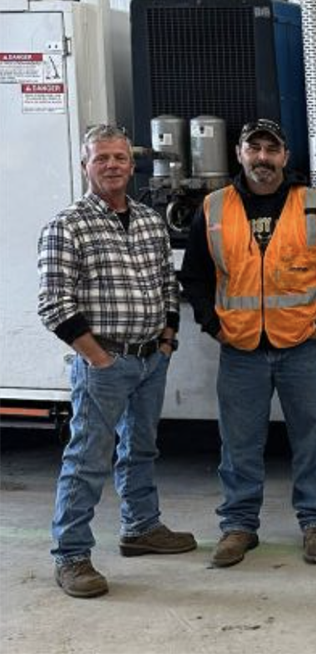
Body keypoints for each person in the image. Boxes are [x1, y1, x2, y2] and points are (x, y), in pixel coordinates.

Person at [179, 119, 316, 568]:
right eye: (253, 148)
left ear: (285, 156)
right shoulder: (214, 208)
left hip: (302, 346)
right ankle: (239, 526)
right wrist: (213, 325)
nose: (262, 157)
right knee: (239, 444)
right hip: (240, 349)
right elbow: (194, 276)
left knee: (310, 440)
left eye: (270, 149)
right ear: (239, 153)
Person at [38, 124, 195, 598]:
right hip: (104, 363)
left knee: (141, 450)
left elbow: (167, 285)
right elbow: (54, 304)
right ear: (85, 165)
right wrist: (99, 359)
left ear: (131, 164)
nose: (111, 166)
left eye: (119, 158)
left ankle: (141, 527)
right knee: (88, 459)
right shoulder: (67, 225)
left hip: (150, 360)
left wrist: (166, 341)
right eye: (101, 158)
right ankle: (71, 555)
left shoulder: (149, 221)